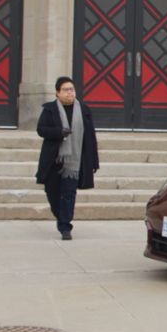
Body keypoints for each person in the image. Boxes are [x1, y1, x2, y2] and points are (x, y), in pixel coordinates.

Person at [36, 76, 99, 240]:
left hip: (75, 161)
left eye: (71, 89)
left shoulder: (84, 110)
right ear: (57, 93)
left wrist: (94, 161)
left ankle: (65, 226)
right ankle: (60, 215)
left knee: (69, 193)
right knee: (52, 192)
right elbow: (41, 129)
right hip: (54, 160)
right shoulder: (50, 109)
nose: (69, 93)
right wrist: (58, 132)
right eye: (65, 90)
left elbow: (90, 137)